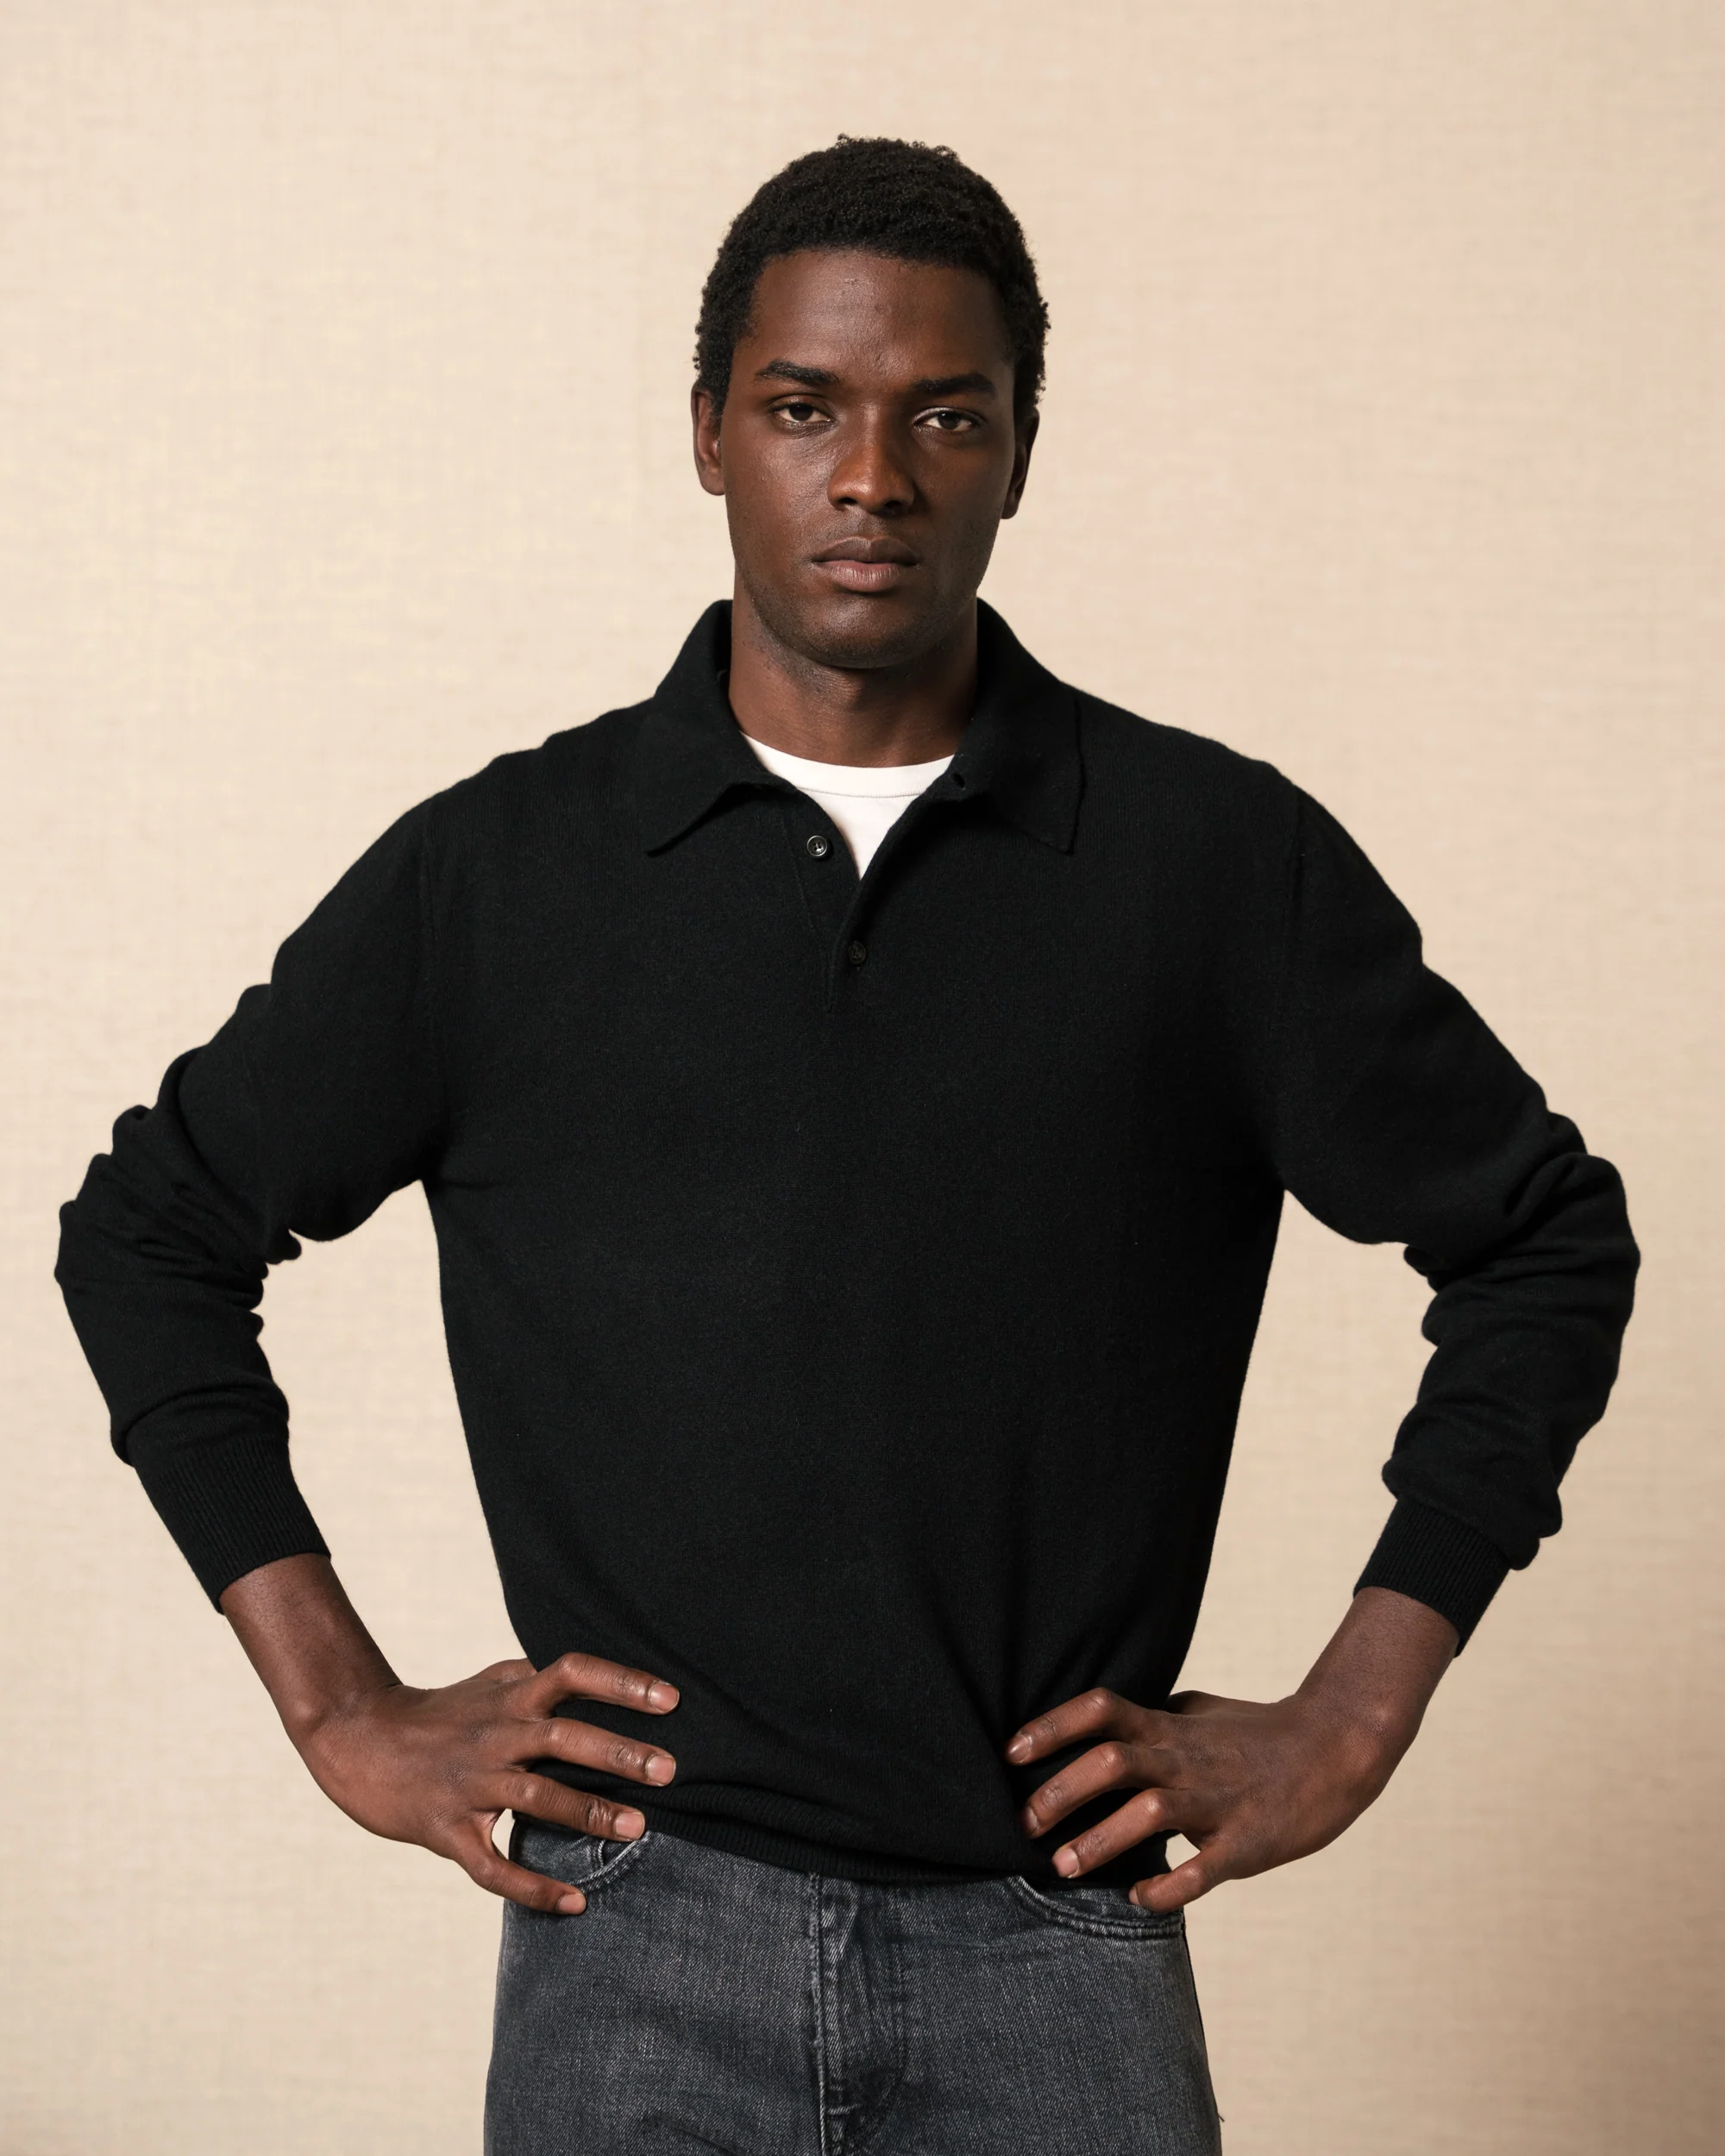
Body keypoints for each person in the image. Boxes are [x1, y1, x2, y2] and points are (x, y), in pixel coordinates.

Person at [57, 136, 1639, 2155]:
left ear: (1019, 450)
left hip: (1059, 1947)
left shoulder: (1205, 866)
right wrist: (336, 1701)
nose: (871, 477)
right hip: (632, 1934)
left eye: (942, 416)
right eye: (805, 406)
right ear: (708, 432)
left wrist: (1354, 1706)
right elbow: (150, 1230)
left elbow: (1540, 1237)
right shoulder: (506, 876)